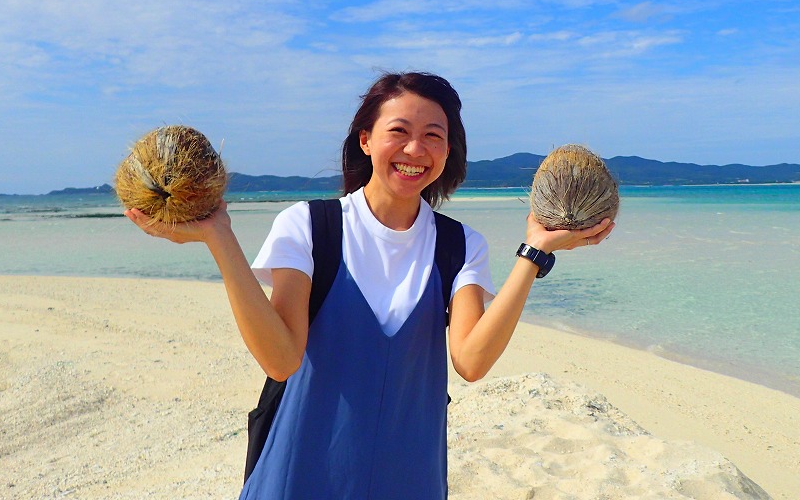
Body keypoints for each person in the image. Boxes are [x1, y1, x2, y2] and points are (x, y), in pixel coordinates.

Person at [125, 71, 614, 499]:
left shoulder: (459, 245)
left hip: (410, 477)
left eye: (433, 136)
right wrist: (219, 235)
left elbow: (472, 361)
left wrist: (534, 253)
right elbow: (280, 358)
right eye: (398, 131)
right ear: (365, 139)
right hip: (301, 472)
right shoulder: (310, 227)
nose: (415, 149)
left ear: (448, 150)